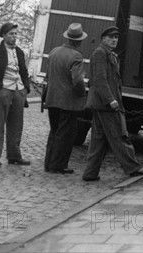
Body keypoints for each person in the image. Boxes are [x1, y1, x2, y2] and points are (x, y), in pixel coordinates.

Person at [82, 26, 143, 181]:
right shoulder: (100, 53)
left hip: (101, 104)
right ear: (103, 38)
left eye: (116, 38)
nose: (114, 40)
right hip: (106, 105)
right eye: (111, 37)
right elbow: (100, 79)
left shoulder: (108, 54)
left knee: (99, 141)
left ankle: (90, 173)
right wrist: (110, 100)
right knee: (119, 136)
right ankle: (133, 167)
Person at [0, 22, 31, 167]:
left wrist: (25, 88)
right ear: (3, 35)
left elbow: (24, 72)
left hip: (19, 91)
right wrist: (0, 88)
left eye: (16, 34)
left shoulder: (20, 52)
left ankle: (14, 156)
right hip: (4, 91)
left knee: (16, 125)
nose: (14, 37)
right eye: (11, 34)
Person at [43, 23, 88, 174]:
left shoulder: (54, 52)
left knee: (54, 132)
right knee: (66, 135)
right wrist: (83, 94)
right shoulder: (76, 56)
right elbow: (77, 80)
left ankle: (49, 163)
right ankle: (59, 165)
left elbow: (48, 76)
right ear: (79, 41)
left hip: (52, 99)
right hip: (68, 102)